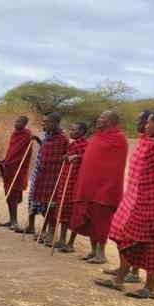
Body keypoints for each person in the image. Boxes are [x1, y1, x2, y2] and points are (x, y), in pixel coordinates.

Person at [95, 111, 154, 299]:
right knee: (130, 241)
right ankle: (118, 280)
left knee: (152, 245)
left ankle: (149, 289)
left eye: (148, 123)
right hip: (145, 202)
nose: (145, 126)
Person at [101, 111, 154, 283]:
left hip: (142, 198)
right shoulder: (143, 140)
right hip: (130, 195)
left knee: (131, 237)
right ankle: (126, 267)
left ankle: (131, 273)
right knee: (118, 232)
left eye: (142, 121)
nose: (139, 123)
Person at [70, 111, 129, 264]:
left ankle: (101, 254)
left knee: (101, 222)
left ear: (111, 121)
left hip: (105, 189)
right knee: (89, 218)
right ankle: (93, 251)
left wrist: (106, 187)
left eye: (103, 118)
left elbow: (115, 165)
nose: (99, 119)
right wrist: (80, 158)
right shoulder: (98, 136)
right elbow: (94, 157)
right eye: (100, 117)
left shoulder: (119, 139)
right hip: (89, 185)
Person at [28, 113, 69, 245]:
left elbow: (66, 157)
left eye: (47, 123)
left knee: (53, 206)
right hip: (43, 175)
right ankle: (45, 231)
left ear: (55, 123)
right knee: (45, 205)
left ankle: (51, 233)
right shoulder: (48, 137)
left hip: (56, 178)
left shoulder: (63, 139)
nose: (44, 125)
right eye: (43, 122)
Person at [54, 122, 89, 252]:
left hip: (76, 182)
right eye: (71, 129)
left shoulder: (86, 145)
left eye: (74, 130)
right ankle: (62, 239)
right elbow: (68, 157)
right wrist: (66, 157)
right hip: (65, 180)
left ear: (82, 132)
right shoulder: (72, 143)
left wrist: (78, 157)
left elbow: (88, 159)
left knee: (73, 212)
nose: (71, 131)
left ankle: (70, 243)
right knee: (63, 209)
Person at [0, 116, 32, 229]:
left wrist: (11, 161)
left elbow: (23, 154)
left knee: (14, 196)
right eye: (16, 121)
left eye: (19, 122)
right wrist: (5, 160)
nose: (16, 123)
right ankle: (11, 219)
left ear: (25, 124)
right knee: (8, 195)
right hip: (9, 168)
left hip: (19, 169)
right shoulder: (14, 134)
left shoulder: (27, 135)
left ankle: (15, 222)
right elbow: (11, 150)